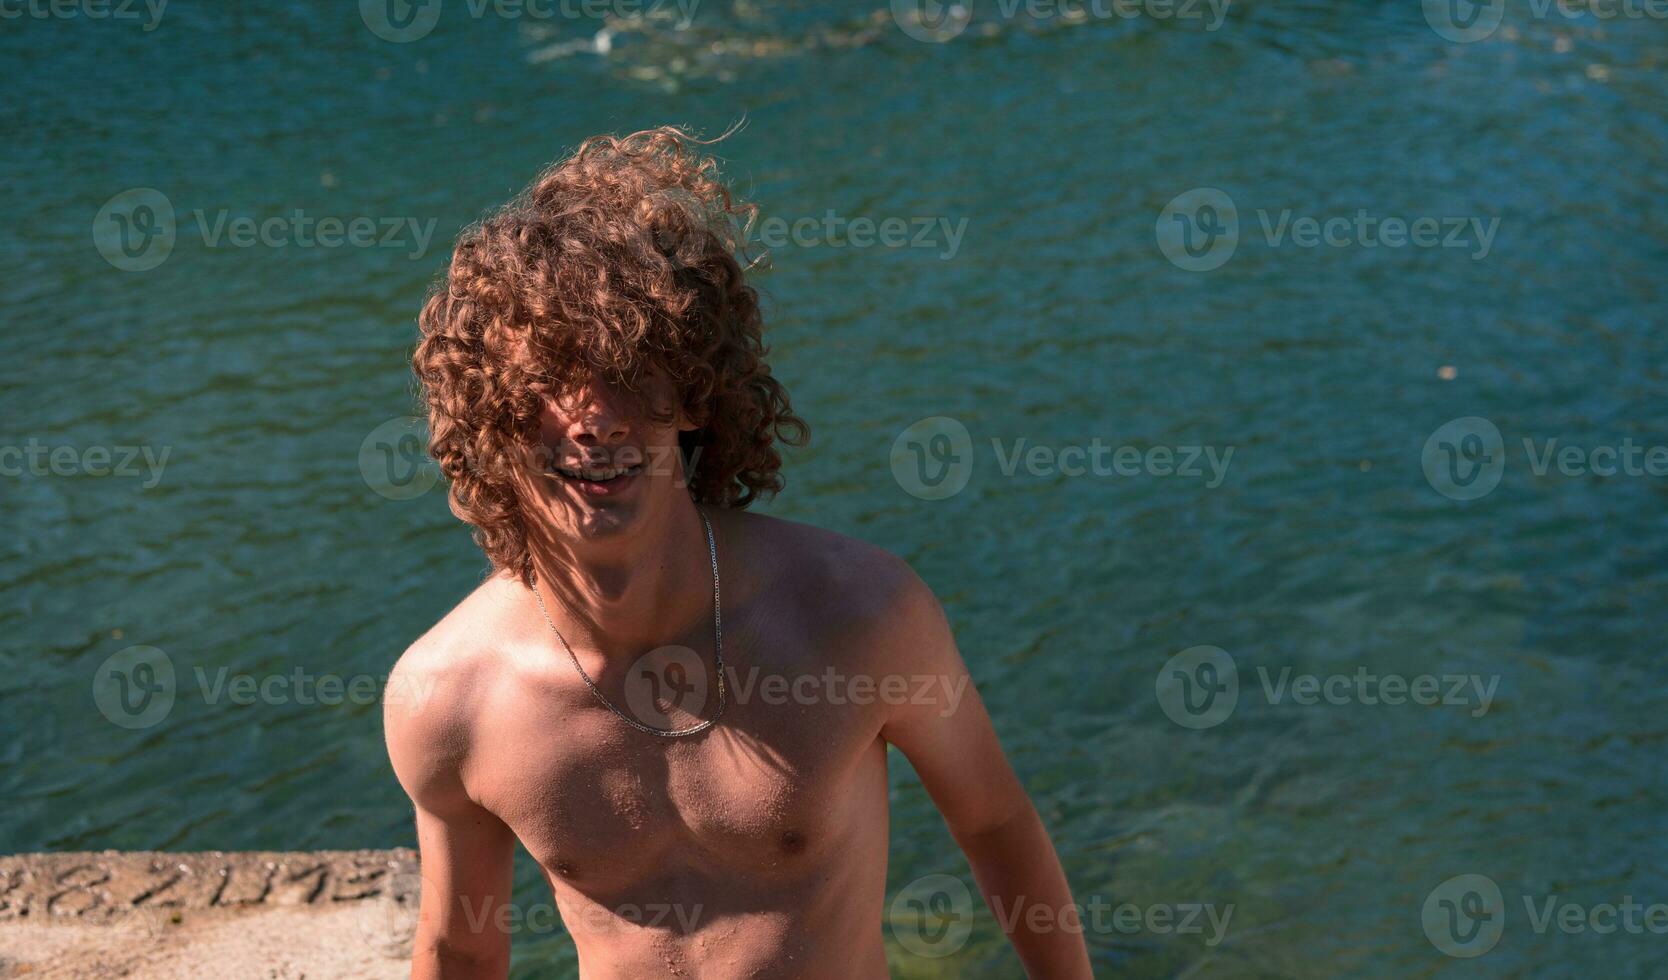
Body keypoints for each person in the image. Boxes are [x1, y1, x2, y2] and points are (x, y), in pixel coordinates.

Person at [384, 126, 1091, 979]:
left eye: (628, 368)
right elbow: (461, 947)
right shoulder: (448, 699)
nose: (593, 416)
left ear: (692, 391)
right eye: (543, 382)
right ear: (486, 415)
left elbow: (994, 825)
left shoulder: (857, 615)